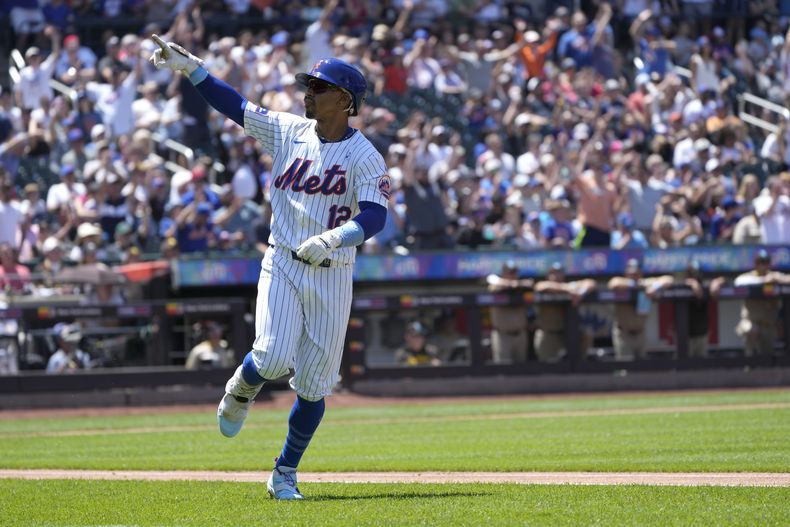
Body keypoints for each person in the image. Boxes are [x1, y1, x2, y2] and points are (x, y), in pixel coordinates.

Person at [150, 36, 387, 500]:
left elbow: (376, 215)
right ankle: (240, 388)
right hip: (283, 260)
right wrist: (192, 70)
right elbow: (234, 105)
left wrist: (336, 237)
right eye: (310, 84)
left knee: (316, 387)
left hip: (333, 271)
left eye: (319, 86)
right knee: (273, 357)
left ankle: (284, 472)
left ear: (345, 99)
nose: (309, 92)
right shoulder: (288, 130)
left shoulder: (366, 155)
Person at [607, 259, 674, 360]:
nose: (634, 275)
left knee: (642, 369)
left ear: (641, 273)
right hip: (624, 334)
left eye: (637, 273)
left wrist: (655, 287)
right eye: (631, 273)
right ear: (626, 273)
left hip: (640, 333)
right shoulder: (623, 283)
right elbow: (613, 283)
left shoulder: (645, 283)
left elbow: (669, 279)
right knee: (625, 369)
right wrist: (635, 285)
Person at [533, 263, 596, 362]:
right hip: (548, 335)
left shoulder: (571, 287)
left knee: (586, 333)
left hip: (566, 335)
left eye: (559, 273)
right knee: (548, 370)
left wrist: (580, 293)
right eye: (553, 273)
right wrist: (569, 289)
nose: (557, 275)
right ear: (548, 275)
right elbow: (540, 287)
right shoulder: (546, 285)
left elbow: (591, 283)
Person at [731, 250, 790, 356]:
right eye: (760, 262)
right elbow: (738, 282)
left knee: (767, 358)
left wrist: (778, 279)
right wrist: (763, 281)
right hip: (751, 323)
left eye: (765, 262)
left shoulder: (774, 276)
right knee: (752, 330)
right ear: (755, 264)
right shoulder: (748, 277)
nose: (763, 265)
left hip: (768, 326)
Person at [485, 261, 533, 363]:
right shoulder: (496, 286)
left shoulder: (522, 288)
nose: (513, 275)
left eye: (514, 272)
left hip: (520, 335)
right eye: (510, 272)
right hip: (503, 336)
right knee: (503, 370)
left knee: (521, 370)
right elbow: (491, 280)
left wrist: (517, 284)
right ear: (503, 273)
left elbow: (531, 284)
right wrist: (513, 284)